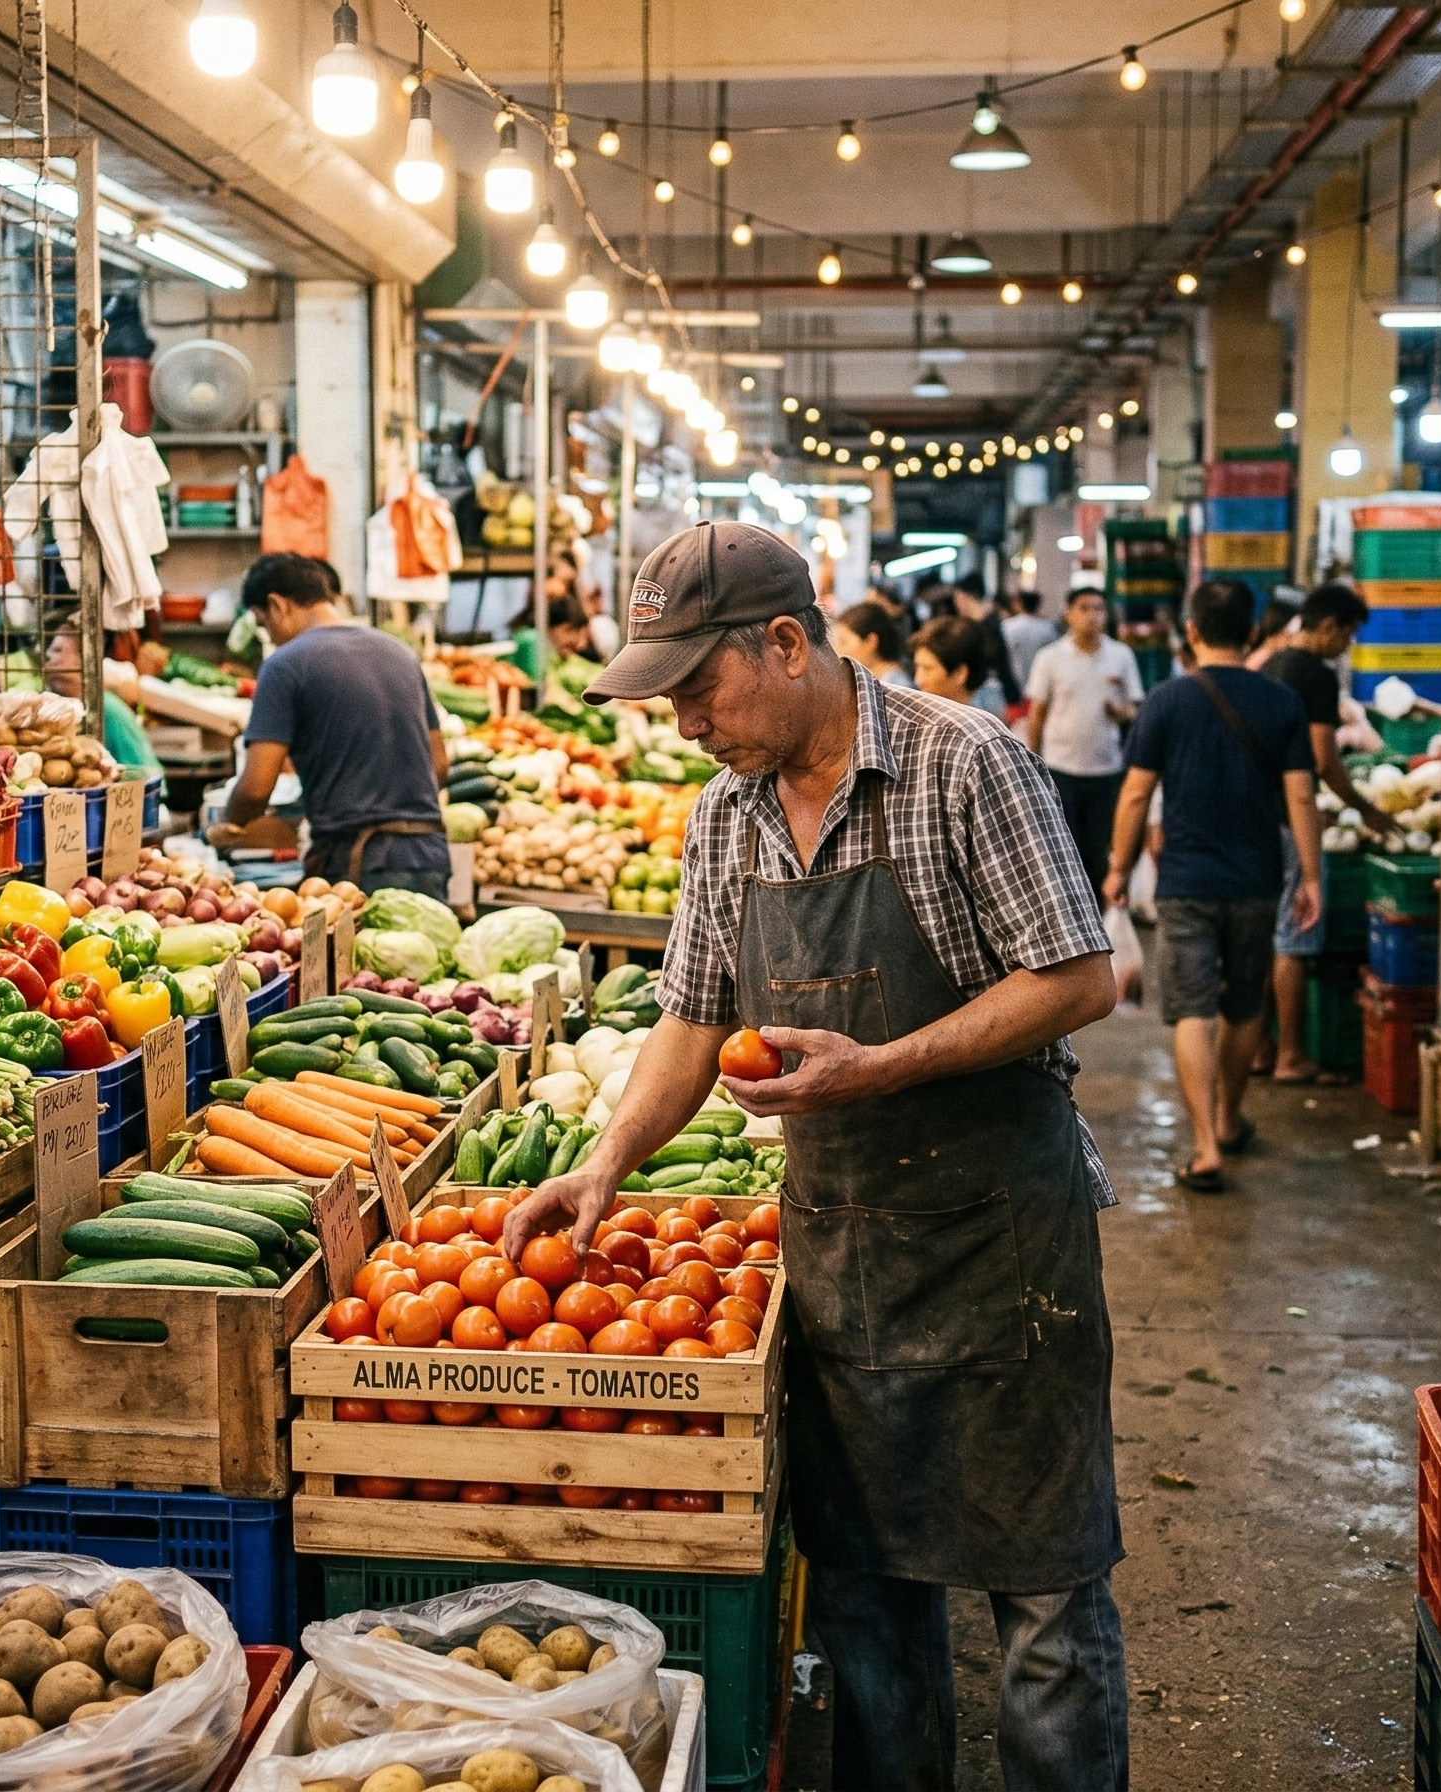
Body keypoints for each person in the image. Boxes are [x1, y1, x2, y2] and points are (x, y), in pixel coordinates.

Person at [505, 520, 1128, 1792]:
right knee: (867, 1596)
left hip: (1002, 1236)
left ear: (787, 642)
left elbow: (1078, 978)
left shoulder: (965, 764)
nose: (683, 722)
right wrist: (609, 1156)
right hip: (843, 1245)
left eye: (697, 688)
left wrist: (879, 1065)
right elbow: (690, 1016)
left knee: (1043, 1604)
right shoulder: (723, 819)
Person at [1103, 578, 1323, 1192]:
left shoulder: (1167, 701)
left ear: (1191, 632)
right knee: (1244, 1002)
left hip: (1185, 881)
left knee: (1192, 1008)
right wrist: (1311, 875)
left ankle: (1203, 1148)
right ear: (1252, 632)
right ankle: (1228, 1119)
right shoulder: (1282, 702)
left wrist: (1118, 868)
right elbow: (1301, 793)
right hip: (1257, 878)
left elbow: (1137, 792)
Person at [218, 552, 452, 899]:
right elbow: (440, 766)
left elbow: (255, 787)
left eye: (263, 623)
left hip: (358, 866)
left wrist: (226, 824)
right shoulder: (399, 653)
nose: (269, 636)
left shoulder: (285, 666)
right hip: (427, 855)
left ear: (277, 605)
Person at [1260, 584, 1398, 1084]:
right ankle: (1291, 1056)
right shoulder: (1314, 675)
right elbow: (1323, 761)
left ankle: (1261, 1047)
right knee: (1293, 935)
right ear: (1328, 627)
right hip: (1289, 816)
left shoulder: (1272, 663)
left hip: (1259, 813)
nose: (1348, 646)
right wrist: (1366, 811)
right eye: (1349, 634)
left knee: (1265, 931)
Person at [1025, 588, 1144, 893]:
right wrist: (1032, 760)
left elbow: (1133, 706)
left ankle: (1099, 917)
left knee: (1098, 850)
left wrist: (1120, 713)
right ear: (1069, 614)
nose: (1092, 616)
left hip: (1105, 768)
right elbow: (1037, 712)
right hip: (1060, 766)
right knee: (1063, 850)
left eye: (1099, 609)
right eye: (1084, 608)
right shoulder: (1050, 658)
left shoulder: (1121, 655)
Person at [953, 571, 1022, 713]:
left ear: (964, 596)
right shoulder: (994, 623)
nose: (956, 603)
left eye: (957, 597)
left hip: (985, 693)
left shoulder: (986, 627)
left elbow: (999, 662)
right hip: (991, 692)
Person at [911, 614, 1007, 715]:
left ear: (959, 673)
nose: (918, 680)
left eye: (927, 669)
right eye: (917, 667)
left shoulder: (987, 711)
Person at [833, 600, 912, 685]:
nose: (839, 649)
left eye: (844, 642)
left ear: (871, 641)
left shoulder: (895, 682)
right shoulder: (871, 678)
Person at [1001, 586, 1060, 693]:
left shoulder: (1007, 626)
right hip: (1040, 685)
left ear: (1019, 603)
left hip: (1014, 684)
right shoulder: (1048, 628)